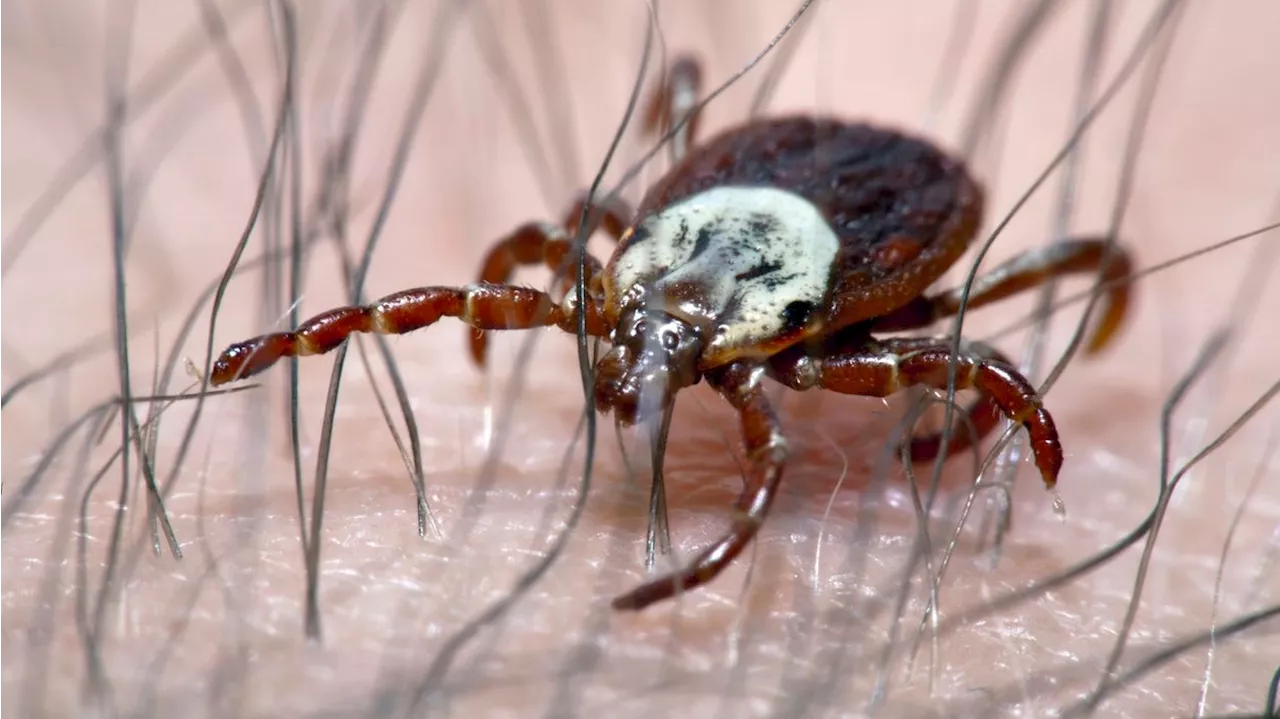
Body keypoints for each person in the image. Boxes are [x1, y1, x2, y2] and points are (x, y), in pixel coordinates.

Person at [1, 2, 1275, 715]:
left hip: (872, 222)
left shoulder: (831, 341)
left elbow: (984, 375)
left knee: (969, 359)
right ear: (619, 262)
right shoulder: (616, 268)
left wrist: (962, 418)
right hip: (808, 183)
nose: (633, 356)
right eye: (617, 314)